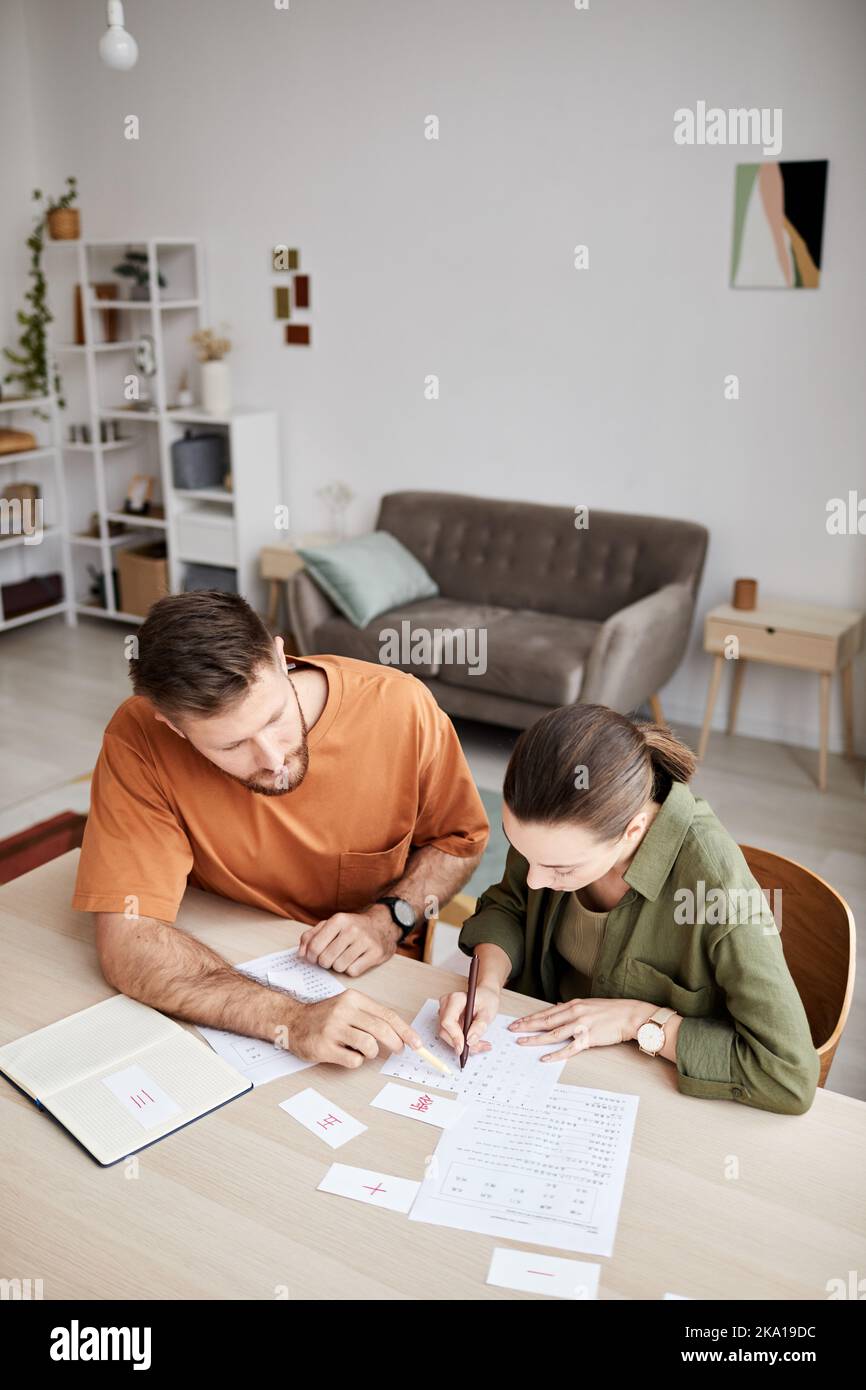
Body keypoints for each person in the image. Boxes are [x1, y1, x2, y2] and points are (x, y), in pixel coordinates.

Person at [73, 590, 489, 1068]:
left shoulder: (401, 707)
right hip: (225, 968)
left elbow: (459, 841)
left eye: (275, 718)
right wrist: (290, 1020)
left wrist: (389, 918)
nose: (272, 761)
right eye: (231, 746)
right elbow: (128, 940)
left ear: (278, 654)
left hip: (376, 980)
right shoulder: (139, 736)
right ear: (174, 727)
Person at [438, 703, 819, 1115]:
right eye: (522, 852)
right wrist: (489, 985)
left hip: (651, 1094)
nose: (534, 880)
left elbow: (789, 1075)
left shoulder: (715, 888)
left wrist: (638, 1021)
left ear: (633, 831)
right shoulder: (550, 832)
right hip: (537, 1070)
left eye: (560, 868)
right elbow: (510, 905)